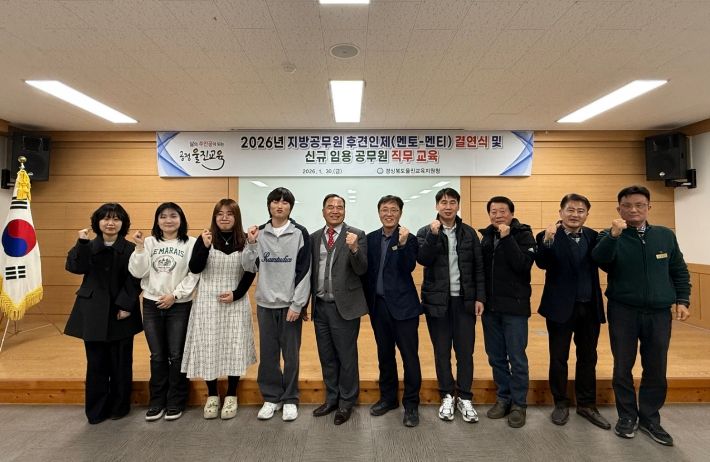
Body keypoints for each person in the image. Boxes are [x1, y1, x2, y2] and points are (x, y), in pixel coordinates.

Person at [593, 185, 691, 446]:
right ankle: (627, 416)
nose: (633, 210)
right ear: (619, 209)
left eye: (639, 205)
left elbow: (678, 269)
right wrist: (614, 236)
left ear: (649, 207)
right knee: (622, 366)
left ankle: (650, 418)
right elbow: (600, 260)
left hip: (659, 314)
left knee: (656, 367)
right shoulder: (609, 235)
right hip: (623, 311)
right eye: (627, 205)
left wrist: (682, 299)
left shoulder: (664, 235)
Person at [535, 193, 609, 429]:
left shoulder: (594, 236)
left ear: (587, 214)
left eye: (580, 211)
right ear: (561, 212)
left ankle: (587, 404)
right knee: (559, 357)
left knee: (588, 357)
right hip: (559, 308)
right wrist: (548, 240)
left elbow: (604, 261)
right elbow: (542, 263)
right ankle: (560, 403)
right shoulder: (547, 235)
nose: (575, 214)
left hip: (589, 307)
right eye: (570, 210)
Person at [64, 203, 142, 424]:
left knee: (121, 363)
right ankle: (96, 410)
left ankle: (119, 407)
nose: (110, 223)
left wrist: (126, 306)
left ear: (123, 223)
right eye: (106, 218)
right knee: (96, 363)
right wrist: (81, 243)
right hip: (93, 311)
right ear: (97, 222)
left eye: (116, 219)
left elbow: (136, 279)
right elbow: (75, 267)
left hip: (121, 310)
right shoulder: (87, 245)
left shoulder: (130, 249)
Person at [181, 199, 256, 420]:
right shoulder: (205, 238)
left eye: (229, 214)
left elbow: (250, 271)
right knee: (209, 346)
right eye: (220, 213)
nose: (224, 217)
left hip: (235, 301)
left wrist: (237, 294)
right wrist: (204, 247)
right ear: (214, 217)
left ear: (236, 217)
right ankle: (212, 394)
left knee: (234, 347)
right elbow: (195, 268)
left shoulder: (246, 240)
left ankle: (232, 394)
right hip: (207, 302)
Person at [416, 188, 485, 424]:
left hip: (464, 302)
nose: (448, 207)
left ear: (458, 205)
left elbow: (478, 268)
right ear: (437, 206)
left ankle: (464, 397)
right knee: (442, 352)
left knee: (465, 352)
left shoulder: (469, 233)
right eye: (443, 202)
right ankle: (446, 395)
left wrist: (480, 298)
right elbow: (423, 259)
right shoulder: (426, 231)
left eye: (452, 202)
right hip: (437, 303)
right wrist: (434, 235)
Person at [243, 187, 311, 422]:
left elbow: (305, 272)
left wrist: (297, 305)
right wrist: (251, 244)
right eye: (275, 201)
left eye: (284, 202)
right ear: (269, 205)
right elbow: (248, 267)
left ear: (290, 207)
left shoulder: (300, 233)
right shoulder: (259, 233)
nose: (279, 206)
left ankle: (290, 398)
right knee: (269, 355)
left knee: (291, 355)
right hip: (265, 304)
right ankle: (271, 398)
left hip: (290, 305)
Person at [129, 202, 199, 422]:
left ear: (181, 219)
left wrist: (175, 295)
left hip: (179, 304)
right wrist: (139, 248)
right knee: (157, 355)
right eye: (163, 216)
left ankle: (176, 401)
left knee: (177, 355)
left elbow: (195, 273)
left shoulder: (191, 243)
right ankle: (157, 401)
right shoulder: (148, 242)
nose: (168, 220)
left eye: (173, 216)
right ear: (157, 221)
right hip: (152, 304)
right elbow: (138, 272)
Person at [364, 195, 422, 427]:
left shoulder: (410, 238)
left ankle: (411, 405)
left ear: (400, 213)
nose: (389, 214)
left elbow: (408, 267)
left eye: (394, 210)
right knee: (385, 356)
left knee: (410, 357)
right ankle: (388, 399)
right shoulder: (370, 239)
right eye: (385, 210)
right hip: (379, 308)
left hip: (404, 309)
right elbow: (366, 272)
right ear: (379, 212)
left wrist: (403, 244)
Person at [310, 193, 367, 425]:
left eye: (339, 207)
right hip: (320, 307)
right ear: (323, 211)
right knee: (327, 357)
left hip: (345, 308)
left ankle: (346, 402)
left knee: (346, 358)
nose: (335, 210)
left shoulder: (356, 235)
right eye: (330, 207)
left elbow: (362, 269)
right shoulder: (314, 237)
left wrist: (354, 249)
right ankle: (332, 398)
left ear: (344, 211)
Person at [479, 196, 536, 428]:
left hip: (515, 309)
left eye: (502, 211)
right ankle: (503, 398)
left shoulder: (524, 234)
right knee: (496, 357)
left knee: (517, 358)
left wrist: (507, 237)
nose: (498, 215)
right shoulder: (486, 237)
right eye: (493, 211)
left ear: (512, 213)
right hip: (491, 309)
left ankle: (519, 404)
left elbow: (522, 265)